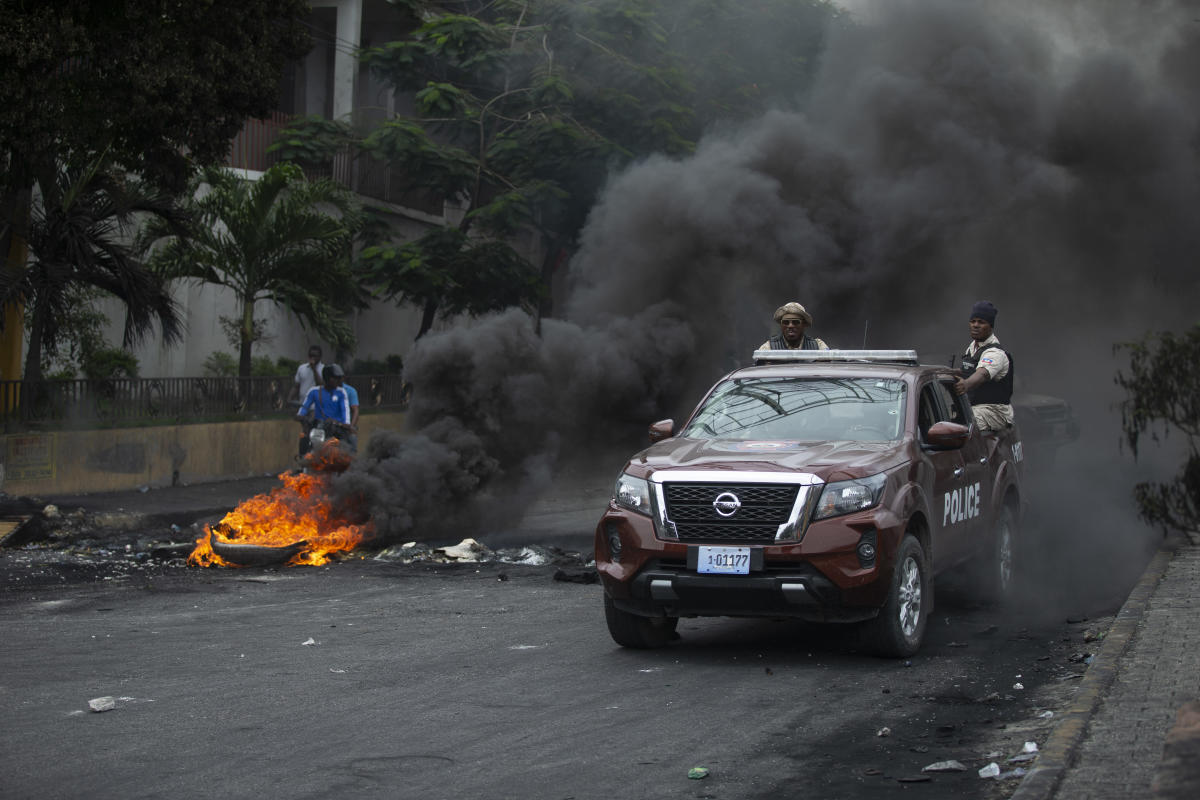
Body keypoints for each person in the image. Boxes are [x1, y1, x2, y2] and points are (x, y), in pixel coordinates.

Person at [954, 300, 1014, 433]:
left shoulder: (995, 353)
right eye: (973, 321)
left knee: (961, 427)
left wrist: (966, 384)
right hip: (974, 408)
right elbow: (966, 371)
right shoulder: (973, 347)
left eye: (981, 322)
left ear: (990, 326)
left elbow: (982, 373)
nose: (975, 325)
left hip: (994, 412)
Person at [296, 363, 353, 456]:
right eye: (335, 378)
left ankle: (345, 465)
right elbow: (304, 407)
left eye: (339, 378)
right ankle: (302, 460)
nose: (338, 381)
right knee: (304, 437)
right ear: (327, 378)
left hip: (336, 428)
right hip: (319, 427)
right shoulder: (314, 391)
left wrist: (346, 423)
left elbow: (345, 409)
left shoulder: (341, 392)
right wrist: (300, 415)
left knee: (347, 444)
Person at [758, 302, 830, 351]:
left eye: (795, 322)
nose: (790, 326)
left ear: (804, 324)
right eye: (786, 322)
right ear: (781, 325)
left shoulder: (818, 346)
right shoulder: (768, 347)